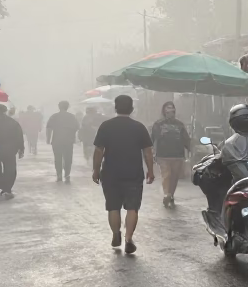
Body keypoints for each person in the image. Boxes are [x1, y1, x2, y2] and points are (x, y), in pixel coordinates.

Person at [92, 95, 154, 254]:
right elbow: (147, 151)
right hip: (133, 173)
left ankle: (115, 233)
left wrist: (95, 170)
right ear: (132, 109)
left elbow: (99, 150)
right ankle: (128, 239)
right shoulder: (139, 127)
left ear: (115, 108)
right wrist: (150, 170)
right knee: (132, 208)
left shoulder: (106, 126)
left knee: (113, 207)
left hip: (110, 173)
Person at [151, 101, 191, 207]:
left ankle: (171, 195)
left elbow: (186, 139)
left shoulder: (179, 124)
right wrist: (151, 151)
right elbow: (153, 138)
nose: (170, 110)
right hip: (163, 155)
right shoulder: (158, 124)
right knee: (166, 174)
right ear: (164, 110)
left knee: (174, 176)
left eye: (172, 108)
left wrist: (190, 149)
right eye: (168, 108)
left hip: (178, 155)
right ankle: (166, 194)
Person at [45, 100, 81, 182]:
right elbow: (77, 127)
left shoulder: (54, 116)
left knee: (58, 158)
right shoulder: (72, 117)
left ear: (59, 107)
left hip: (56, 141)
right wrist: (73, 136)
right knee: (68, 158)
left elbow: (49, 128)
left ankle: (59, 174)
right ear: (67, 107)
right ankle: (67, 174)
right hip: (68, 141)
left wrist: (48, 139)